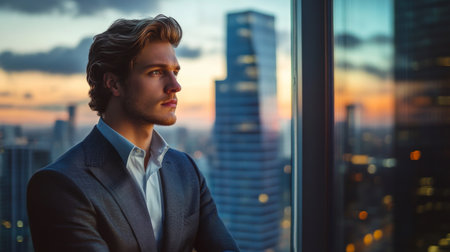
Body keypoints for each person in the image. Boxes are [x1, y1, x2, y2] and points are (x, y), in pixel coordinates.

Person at [27, 14, 239, 252]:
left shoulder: (186, 170)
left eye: (175, 72)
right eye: (156, 72)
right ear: (114, 84)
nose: (175, 86)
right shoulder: (61, 184)